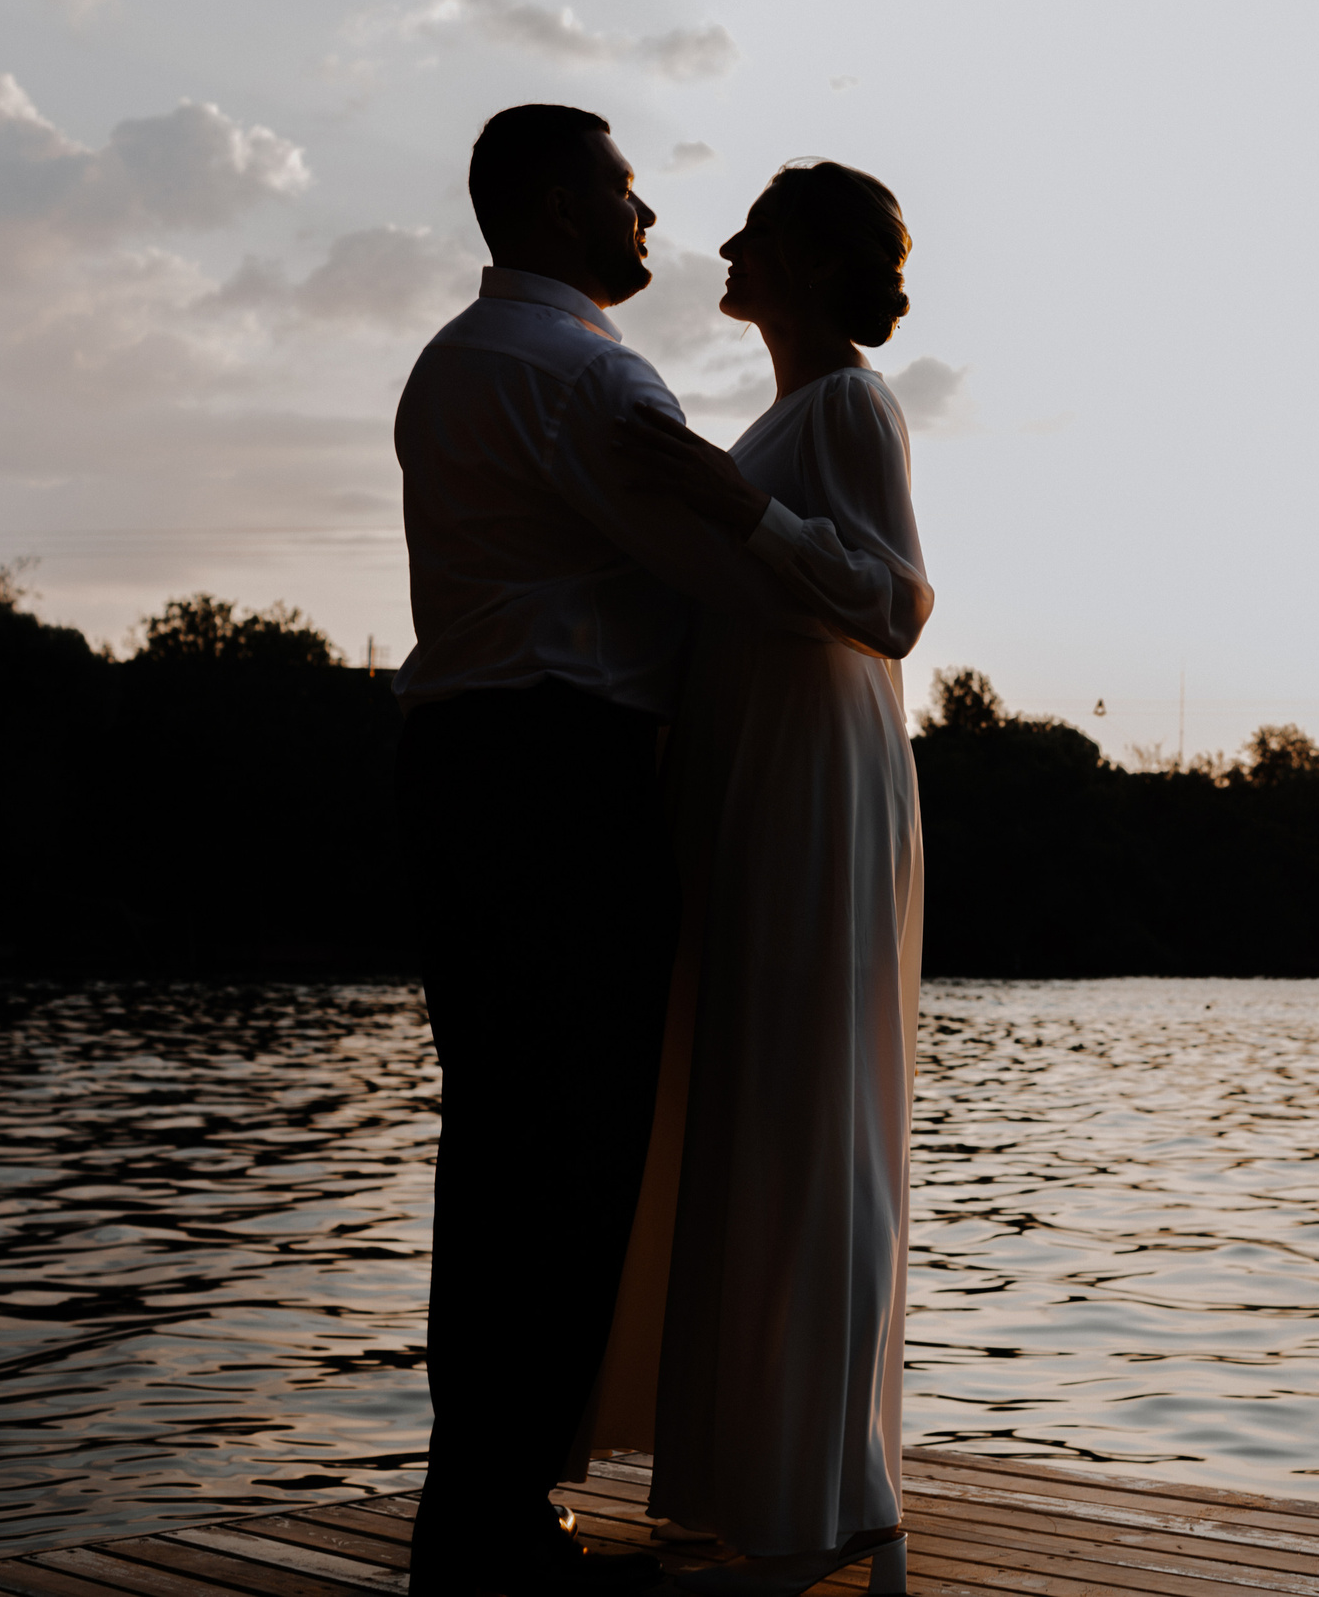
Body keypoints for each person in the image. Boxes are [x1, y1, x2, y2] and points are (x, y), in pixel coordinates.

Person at [393, 108, 891, 1597]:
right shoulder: (593, 375)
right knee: (573, 1149)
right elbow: (733, 582)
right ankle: (495, 1523)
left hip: (456, 763)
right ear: (558, 209)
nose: (650, 215)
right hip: (564, 774)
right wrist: (766, 532)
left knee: (495, 1145)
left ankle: (468, 1505)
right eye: (622, 192)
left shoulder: (451, 363)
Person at [590, 161, 930, 1597]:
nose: (720, 243)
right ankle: (742, 1475)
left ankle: (827, 1490)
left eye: (750, 229)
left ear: (796, 258)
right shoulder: (780, 414)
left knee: (806, 1096)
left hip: (814, 766)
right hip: (749, 764)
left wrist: (739, 516)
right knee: (747, 1095)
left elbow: (897, 602)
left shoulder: (845, 403)